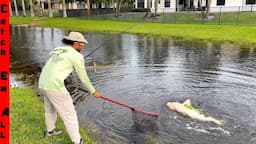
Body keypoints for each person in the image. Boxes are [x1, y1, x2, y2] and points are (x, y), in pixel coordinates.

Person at [39, 31, 101, 144]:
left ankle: (50, 132)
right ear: (76, 44)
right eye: (82, 45)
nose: (82, 47)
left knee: (49, 110)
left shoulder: (56, 50)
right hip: (54, 86)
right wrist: (93, 91)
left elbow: (56, 64)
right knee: (70, 115)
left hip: (43, 83)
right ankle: (77, 141)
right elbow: (83, 77)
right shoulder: (77, 56)